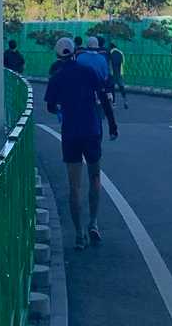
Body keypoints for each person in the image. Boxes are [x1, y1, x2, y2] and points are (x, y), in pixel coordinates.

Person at [45, 35, 118, 250]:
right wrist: (112, 125)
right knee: (95, 177)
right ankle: (93, 223)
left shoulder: (56, 77)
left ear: (58, 55)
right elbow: (104, 99)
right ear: (75, 52)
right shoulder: (88, 72)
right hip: (92, 130)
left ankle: (78, 235)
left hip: (70, 134)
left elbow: (50, 106)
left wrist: (61, 108)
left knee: (74, 186)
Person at [106, 38, 128, 108]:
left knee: (112, 88)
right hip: (120, 73)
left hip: (112, 73)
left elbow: (108, 63)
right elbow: (123, 62)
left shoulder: (109, 52)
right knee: (121, 87)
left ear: (110, 46)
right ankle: (125, 100)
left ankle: (113, 103)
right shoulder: (121, 52)